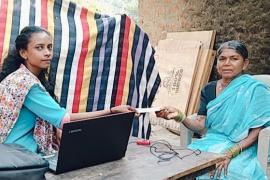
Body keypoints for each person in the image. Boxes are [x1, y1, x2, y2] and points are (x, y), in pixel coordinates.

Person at [0, 26, 135, 155]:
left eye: (49, 47)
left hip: (10, 153)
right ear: (23, 53)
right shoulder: (27, 83)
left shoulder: (18, 77)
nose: (47, 53)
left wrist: (55, 128)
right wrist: (111, 111)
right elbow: (65, 120)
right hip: (21, 157)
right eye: (39, 48)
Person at [156, 40, 270, 179]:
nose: (227, 63)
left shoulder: (255, 89)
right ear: (217, 63)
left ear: (245, 63)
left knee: (230, 171)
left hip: (242, 147)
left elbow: (257, 130)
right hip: (212, 141)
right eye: (222, 59)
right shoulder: (209, 89)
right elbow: (200, 125)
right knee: (183, 162)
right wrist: (180, 116)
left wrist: (231, 152)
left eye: (234, 58)